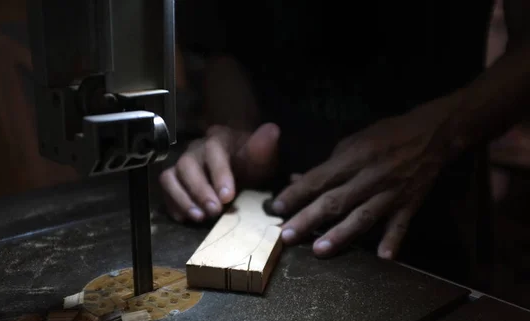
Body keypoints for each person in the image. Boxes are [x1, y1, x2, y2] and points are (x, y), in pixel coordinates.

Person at [162, 0, 530, 285]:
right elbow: (220, 44)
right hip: (271, 192)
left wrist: (444, 131)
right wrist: (236, 131)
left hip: (429, 201)